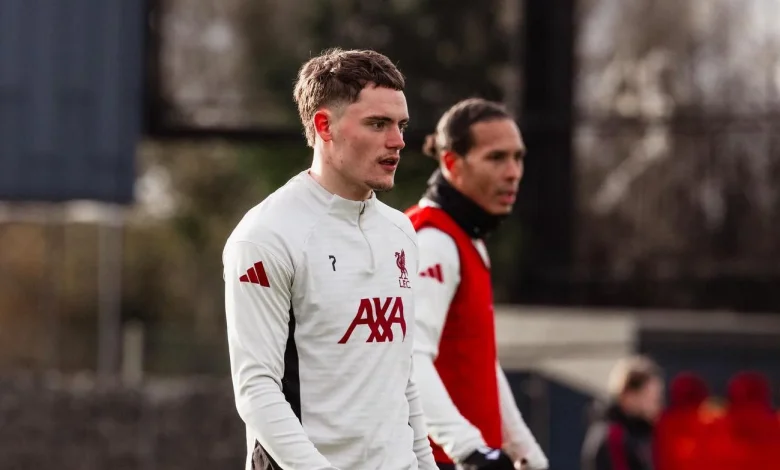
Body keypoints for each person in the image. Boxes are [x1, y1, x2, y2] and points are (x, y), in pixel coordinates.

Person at [223, 48, 436, 470]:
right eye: (378, 124)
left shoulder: (401, 232)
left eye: (401, 125)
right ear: (325, 126)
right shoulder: (266, 235)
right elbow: (256, 390)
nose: (398, 141)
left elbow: (400, 375)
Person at [406, 98, 548, 470]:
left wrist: (525, 451)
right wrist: (468, 447)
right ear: (451, 163)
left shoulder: (466, 239)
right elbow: (408, 358)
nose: (514, 172)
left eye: (518, 157)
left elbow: (482, 364)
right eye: (497, 158)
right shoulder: (434, 241)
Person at [581, 356, 663, 470]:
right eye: (651, 399)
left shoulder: (644, 434)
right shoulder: (613, 438)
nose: (657, 406)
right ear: (629, 396)